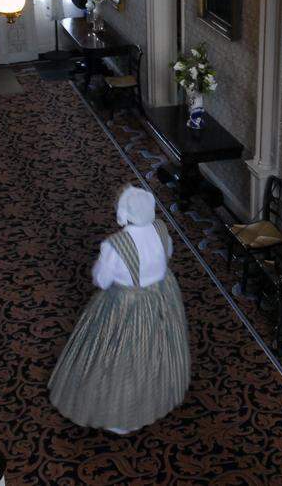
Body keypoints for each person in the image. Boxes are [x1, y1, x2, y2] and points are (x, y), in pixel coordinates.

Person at [49, 185, 191, 434]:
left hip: (127, 304)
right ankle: (151, 398)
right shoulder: (161, 228)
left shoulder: (115, 245)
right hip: (161, 296)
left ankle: (120, 414)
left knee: (120, 355)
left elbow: (101, 280)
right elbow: (167, 253)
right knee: (154, 348)